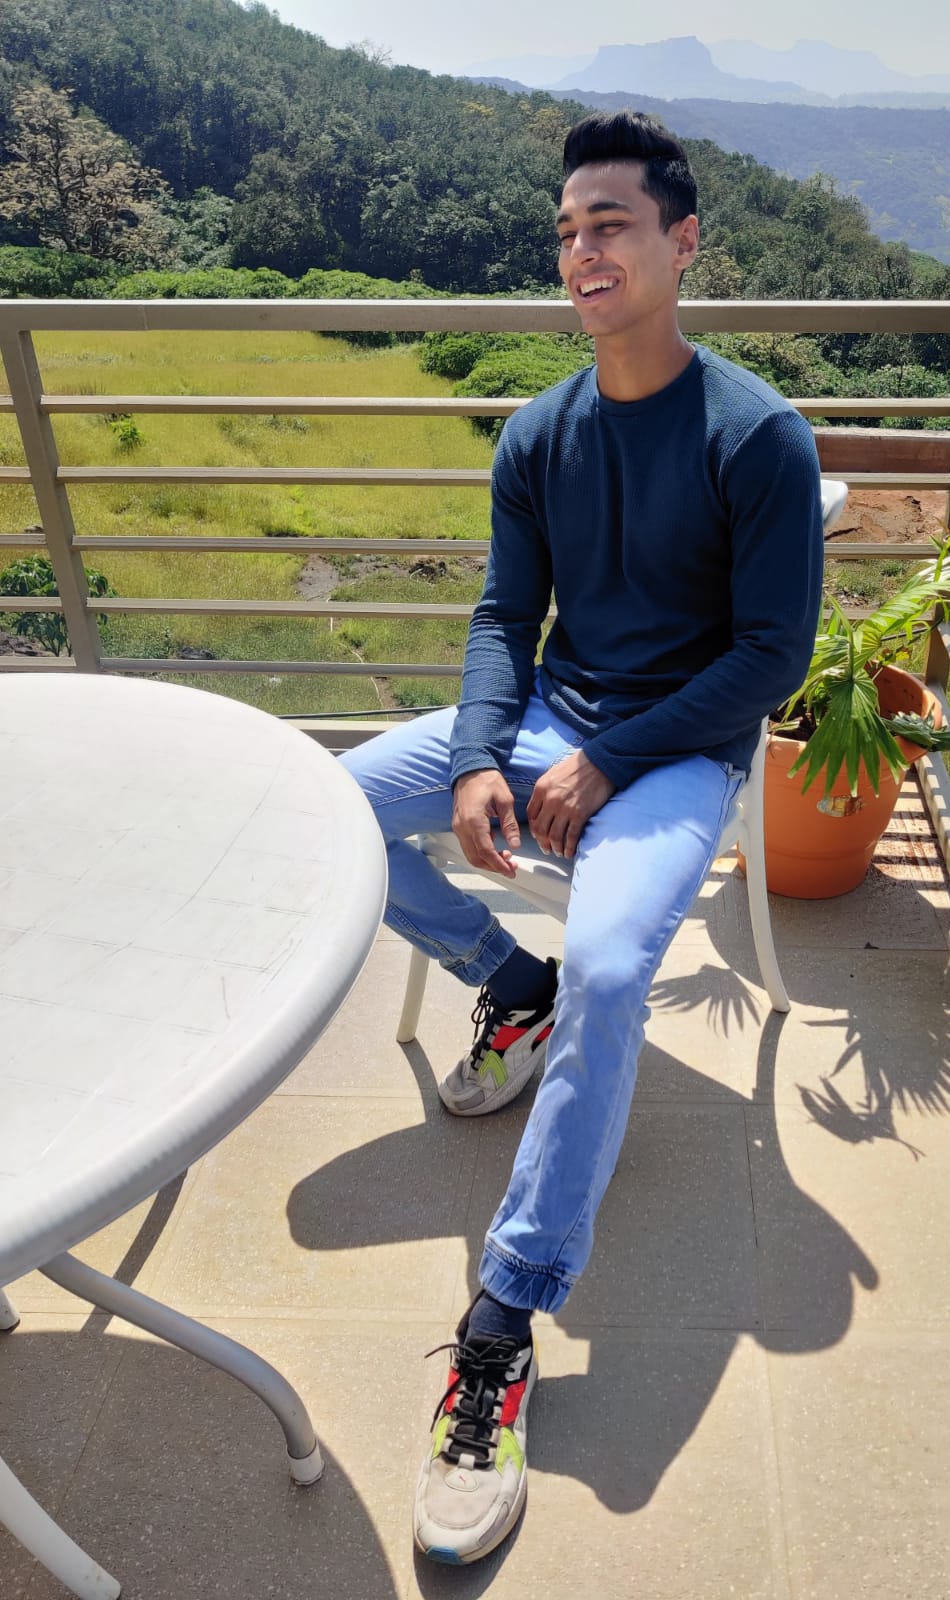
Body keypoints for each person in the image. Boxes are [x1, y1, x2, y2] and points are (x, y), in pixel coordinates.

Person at [340, 109, 824, 1565]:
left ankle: (503, 1318)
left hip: (673, 751)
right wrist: (480, 759)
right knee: (338, 808)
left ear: (684, 243)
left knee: (614, 966)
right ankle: (508, 980)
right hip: (554, 715)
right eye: (567, 229)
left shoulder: (756, 436)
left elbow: (771, 658)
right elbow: (505, 617)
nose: (582, 250)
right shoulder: (541, 433)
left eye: (611, 223)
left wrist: (609, 761)